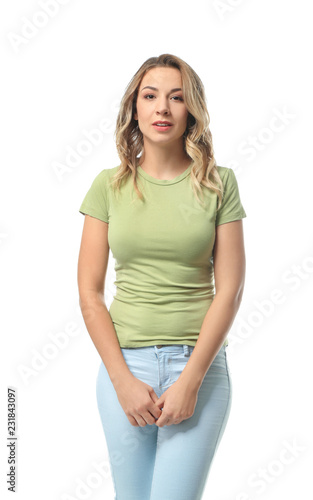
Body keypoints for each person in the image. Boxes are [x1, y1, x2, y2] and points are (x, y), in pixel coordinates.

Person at [77, 53, 247, 500]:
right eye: (150, 96)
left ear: (191, 108)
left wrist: (190, 381)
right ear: (135, 107)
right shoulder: (107, 186)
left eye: (176, 97)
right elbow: (89, 294)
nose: (162, 109)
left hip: (200, 369)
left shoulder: (218, 184)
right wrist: (122, 382)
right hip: (125, 367)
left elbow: (229, 292)